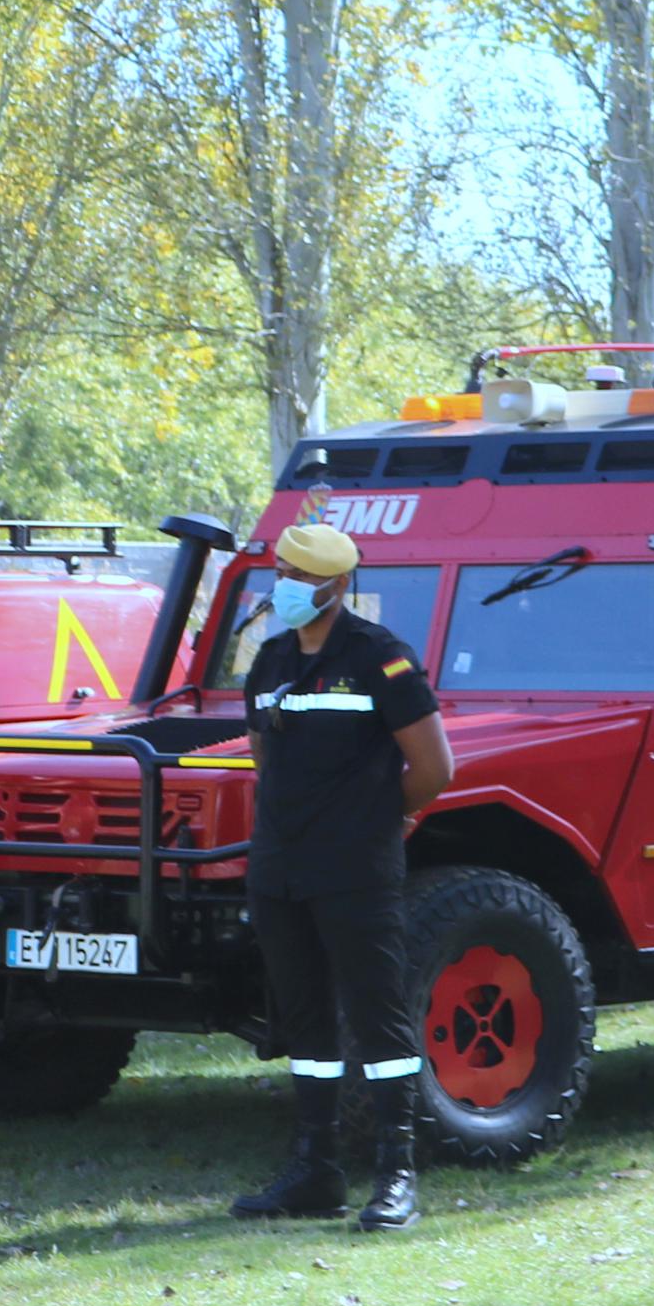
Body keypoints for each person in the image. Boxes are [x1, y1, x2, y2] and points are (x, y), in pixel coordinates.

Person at [226, 523, 453, 1233]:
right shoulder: (269, 659)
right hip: (281, 870)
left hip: (355, 870)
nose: (281, 583)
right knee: (305, 1020)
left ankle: (395, 1173)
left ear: (330, 584)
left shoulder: (381, 660)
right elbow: (269, 760)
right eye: (279, 569)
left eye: (294, 573)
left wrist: (378, 820)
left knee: (378, 1020)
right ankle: (315, 1167)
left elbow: (436, 768)